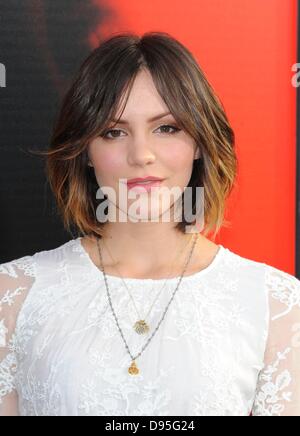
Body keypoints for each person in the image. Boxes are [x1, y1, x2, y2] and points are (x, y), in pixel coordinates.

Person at [0, 31, 299, 416]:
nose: (141, 154)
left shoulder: (275, 305)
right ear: (87, 152)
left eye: (166, 128)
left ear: (199, 144)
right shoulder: (14, 295)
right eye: (113, 132)